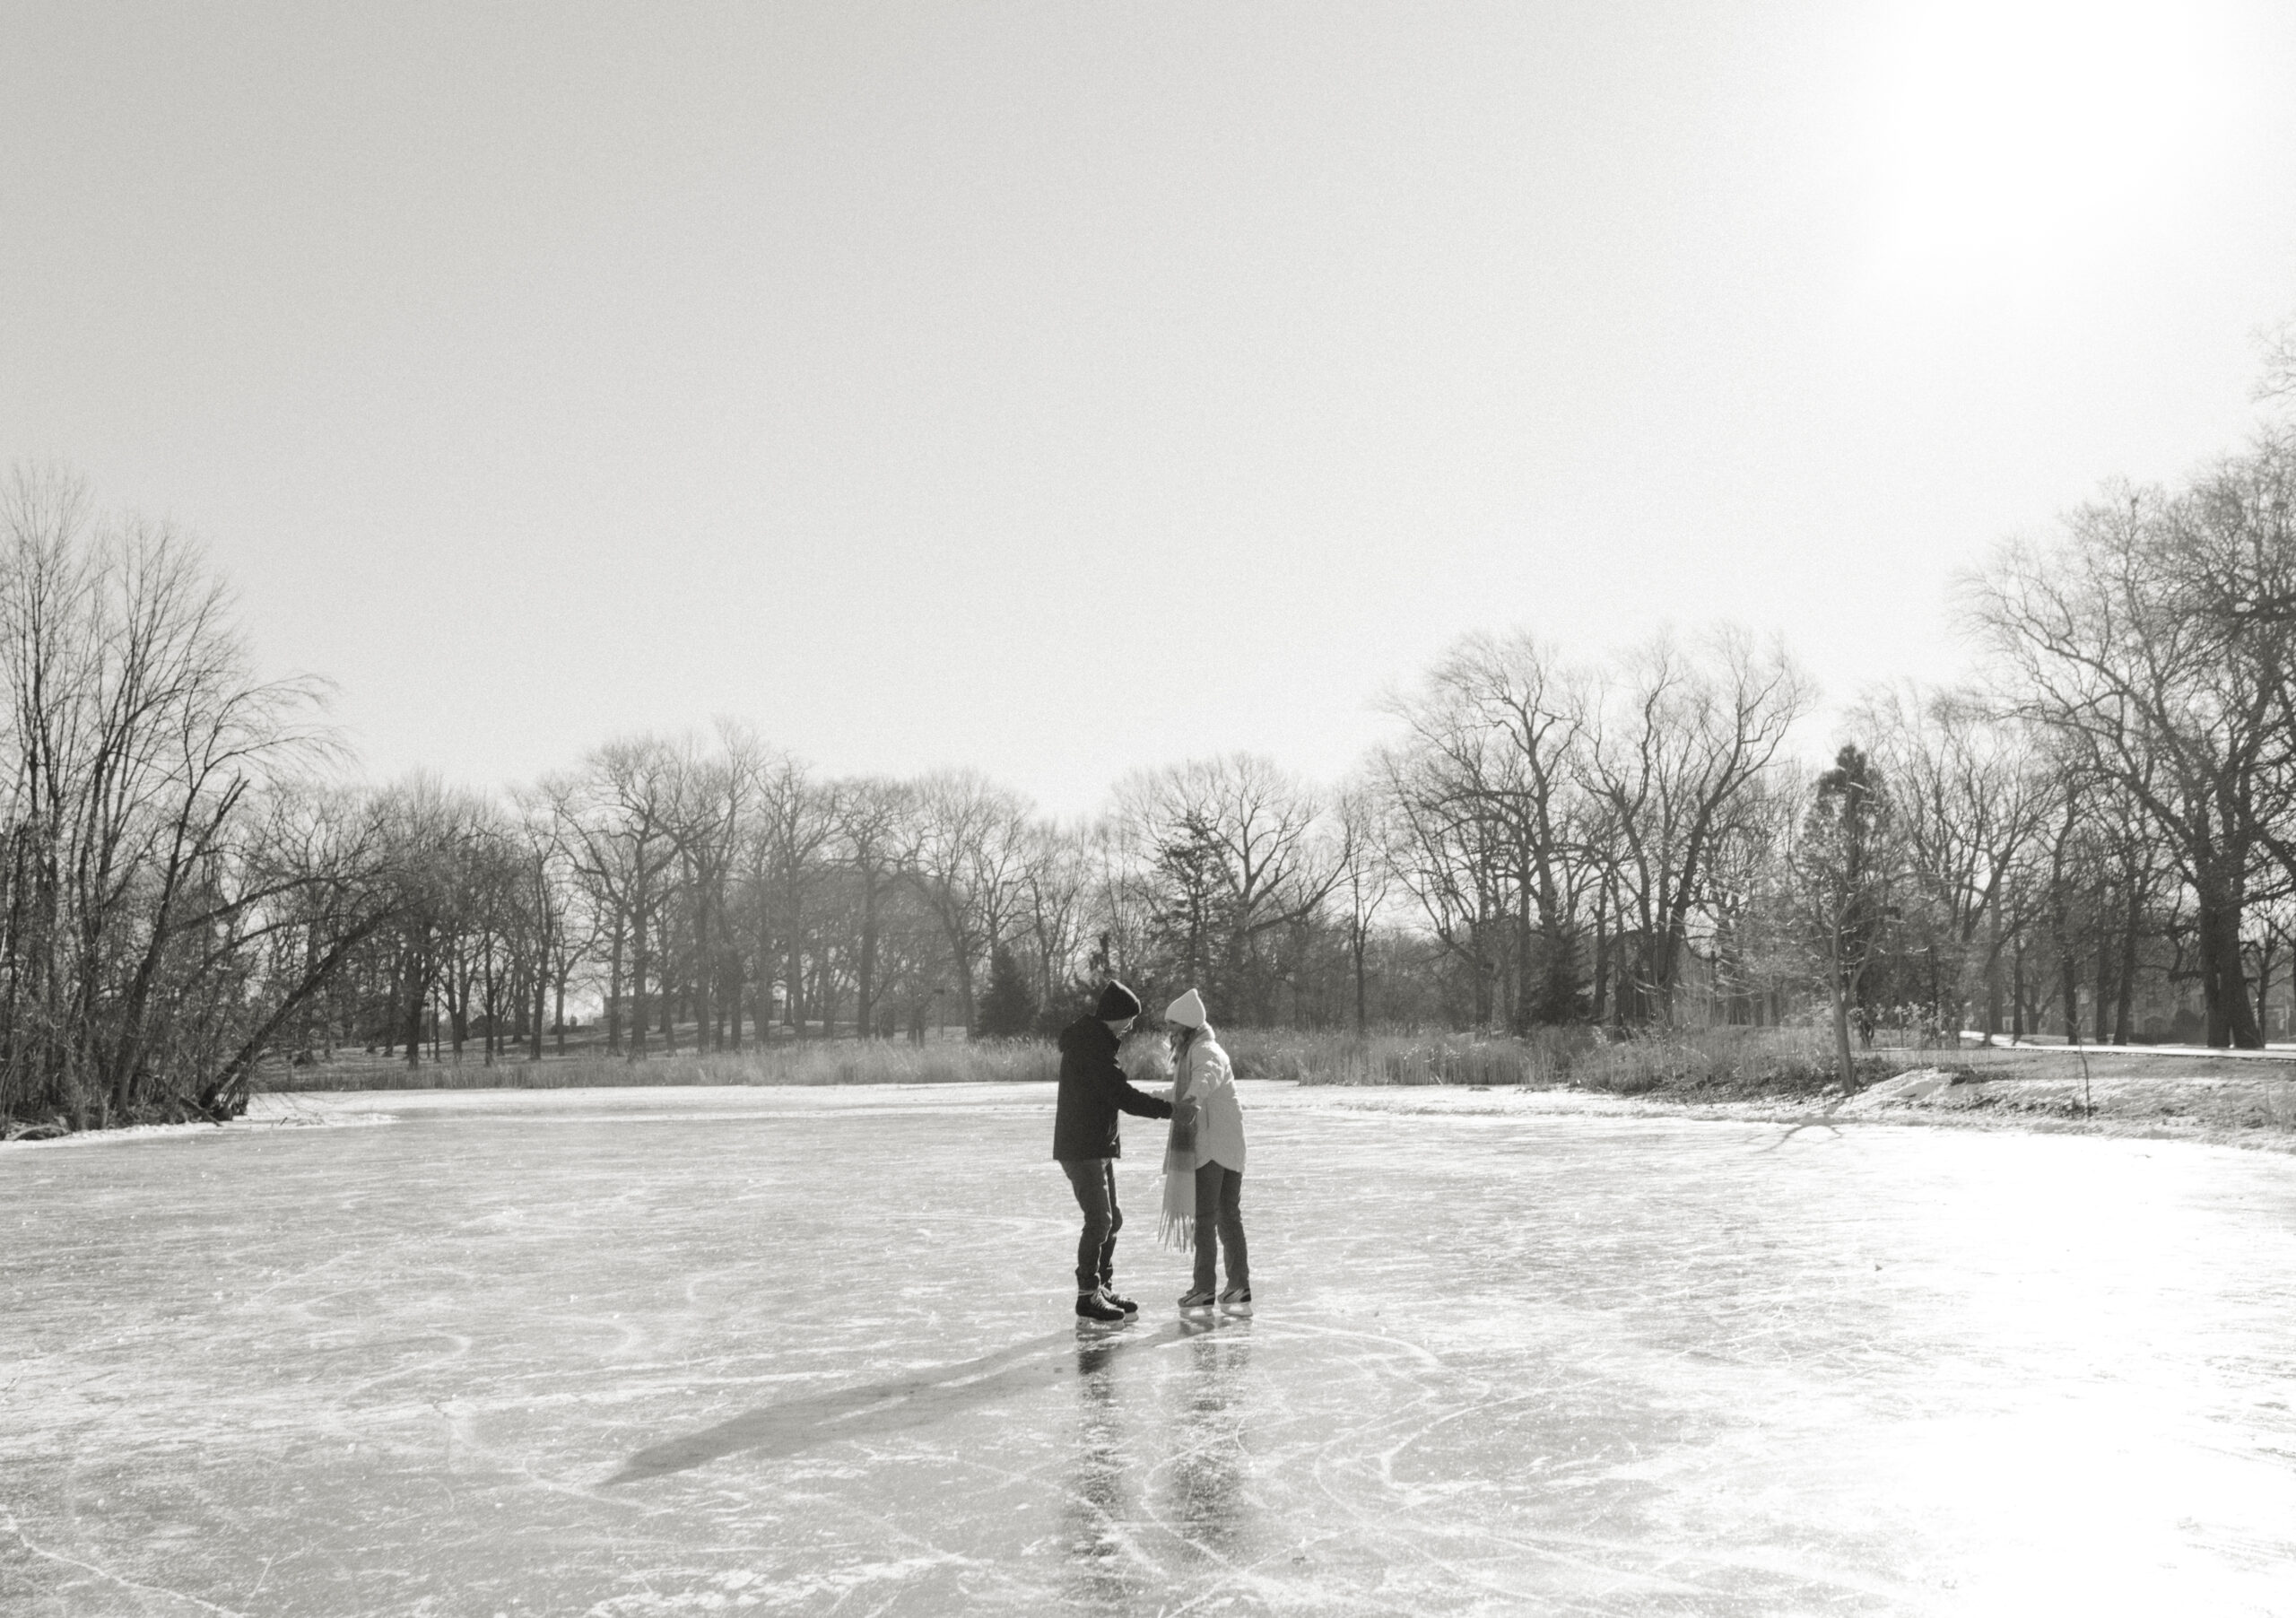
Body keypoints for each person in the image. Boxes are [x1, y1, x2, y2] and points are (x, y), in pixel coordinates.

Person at [1054, 980, 1177, 1324]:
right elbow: (1120, 1094)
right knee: (1100, 1220)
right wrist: (1169, 1111)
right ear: (1114, 1016)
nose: (1132, 1024)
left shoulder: (1097, 1042)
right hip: (1083, 1147)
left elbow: (1114, 1094)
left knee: (1112, 1219)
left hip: (1096, 1145)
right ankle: (1087, 1295)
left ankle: (1102, 1288)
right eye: (1129, 1018)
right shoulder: (1091, 1047)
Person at [1161, 988, 1249, 1315]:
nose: (1170, 1034)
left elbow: (1205, 1078)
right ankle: (1238, 1287)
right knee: (1228, 1217)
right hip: (1229, 1147)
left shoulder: (1205, 1050)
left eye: (1173, 1027)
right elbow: (1183, 1089)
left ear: (1186, 1026)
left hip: (1212, 1148)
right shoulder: (1201, 1050)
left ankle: (1203, 1289)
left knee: (1206, 1220)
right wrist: (1151, 1100)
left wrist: (1191, 1101)